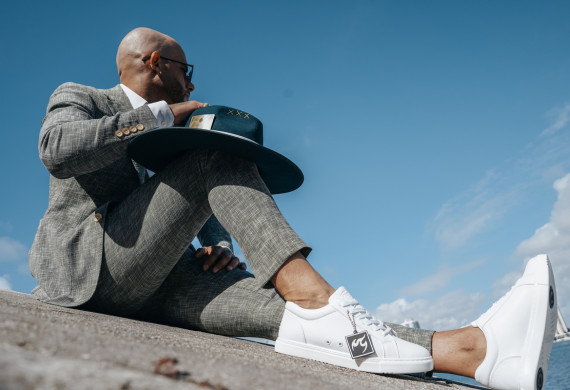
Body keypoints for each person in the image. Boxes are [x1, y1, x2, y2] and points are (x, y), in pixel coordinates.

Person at [29, 27, 557, 390]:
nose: (193, 82)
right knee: (215, 150)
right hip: (93, 274)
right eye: (185, 70)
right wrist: (165, 115)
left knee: (305, 327)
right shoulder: (84, 97)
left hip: (163, 281)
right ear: (153, 63)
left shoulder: (177, 118)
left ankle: (475, 352)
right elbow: (56, 149)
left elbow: (189, 203)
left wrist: (217, 243)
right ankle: (315, 297)